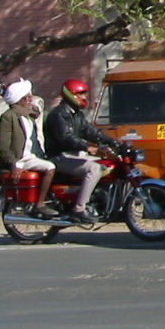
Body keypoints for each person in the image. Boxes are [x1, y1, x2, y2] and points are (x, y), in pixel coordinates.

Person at [44, 79, 120, 227]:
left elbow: (89, 131)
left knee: (104, 165)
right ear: (70, 95)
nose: (84, 97)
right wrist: (86, 147)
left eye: (84, 93)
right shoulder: (58, 114)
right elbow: (66, 137)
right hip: (60, 156)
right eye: (80, 94)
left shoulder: (76, 114)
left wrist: (113, 142)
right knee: (93, 168)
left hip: (73, 155)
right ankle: (79, 208)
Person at [0, 80, 56, 215]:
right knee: (50, 167)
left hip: (35, 155)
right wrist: (14, 163)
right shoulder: (8, 116)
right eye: (27, 96)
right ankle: (39, 205)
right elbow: (3, 146)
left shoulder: (29, 116)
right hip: (22, 159)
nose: (30, 98)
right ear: (18, 99)